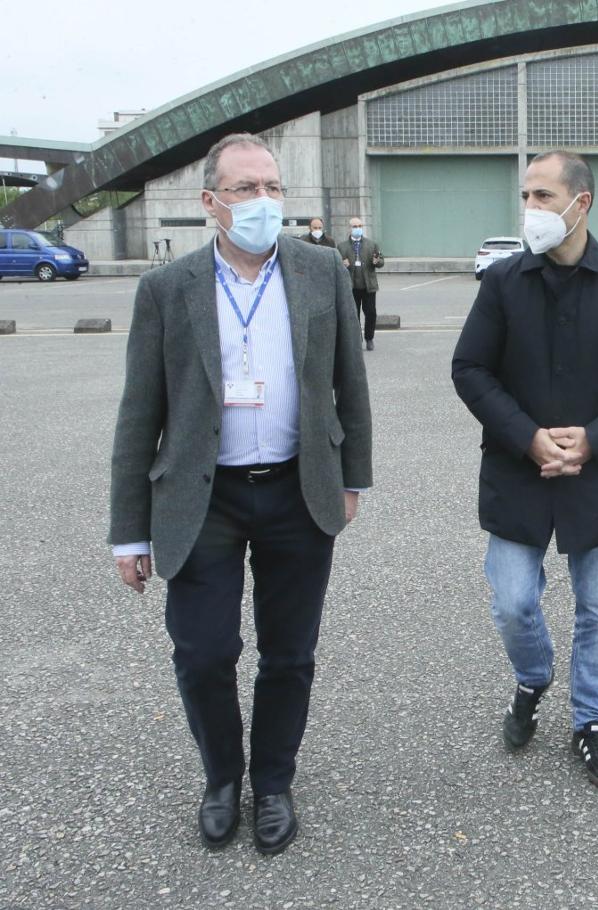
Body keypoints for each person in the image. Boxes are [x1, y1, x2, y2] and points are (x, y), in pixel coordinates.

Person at [109, 133, 372, 854]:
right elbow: (139, 413)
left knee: (289, 654)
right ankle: (222, 778)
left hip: (297, 489)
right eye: (246, 189)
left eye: (273, 187)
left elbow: (350, 383)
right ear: (211, 202)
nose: (264, 201)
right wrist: (129, 531)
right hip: (204, 498)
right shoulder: (168, 289)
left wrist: (352, 478)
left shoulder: (320, 270)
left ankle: (274, 782)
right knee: (202, 652)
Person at [451, 151, 598, 788]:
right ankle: (533, 676)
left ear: (582, 203)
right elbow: (470, 368)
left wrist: (597, 438)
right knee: (513, 602)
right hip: (516, 471)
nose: (531, 209)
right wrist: (526, 437)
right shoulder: (503, 282)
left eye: (543, 196)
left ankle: (590, 722)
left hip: (596, 475)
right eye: (526, 196)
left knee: (597, 610)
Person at [337, 217, 384, 351]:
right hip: (351, 287)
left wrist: (377, 261)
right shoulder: (342, 246)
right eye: (354, 226)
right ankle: (357, 340)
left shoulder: (371, 244)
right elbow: (336, 264)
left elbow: (381, 261)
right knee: (353, 315)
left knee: (371, 313)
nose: (357, 229)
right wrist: (342, 264)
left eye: (359, 226)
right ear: (349, 228)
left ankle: (369, 338)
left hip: (368, 285)